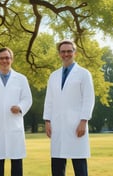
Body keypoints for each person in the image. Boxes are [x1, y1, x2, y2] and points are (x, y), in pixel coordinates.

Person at [43, 39, 95, 176]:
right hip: (57, 125)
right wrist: (47, 121)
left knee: (79, 165)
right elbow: (49, 100)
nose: (66, 54)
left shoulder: (84, 74)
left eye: (69, 51)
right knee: (57, 165)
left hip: (76, 124)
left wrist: (84, 121)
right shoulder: (53, 76)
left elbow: (88, 99)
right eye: (63, 51)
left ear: (74, 53)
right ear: (59, 54)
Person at [0, 47, 32, 176]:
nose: (4, 60)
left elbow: (27, 98)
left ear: (12, 59)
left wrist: (20, 107)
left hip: (14, 123)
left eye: (7, 58)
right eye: (2, 58)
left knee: (16, 161)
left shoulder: (21, 79)